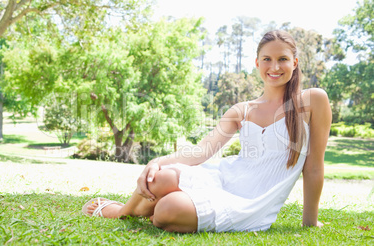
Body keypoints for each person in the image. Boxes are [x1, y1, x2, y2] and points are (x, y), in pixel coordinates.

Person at [82, 30, 332, 233]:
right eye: (267, 59)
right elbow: (202, 151)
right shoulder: (242, 110)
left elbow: (313, 167)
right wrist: (157, 162)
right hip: (223, 179)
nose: (274, 66)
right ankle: (123, 211)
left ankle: (156, 211)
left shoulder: (312, 101)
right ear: (257, 63)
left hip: (248, 202)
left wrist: (310, 221)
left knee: (167, 209)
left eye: (283, 59)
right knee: (160, 177)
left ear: (295, 63)